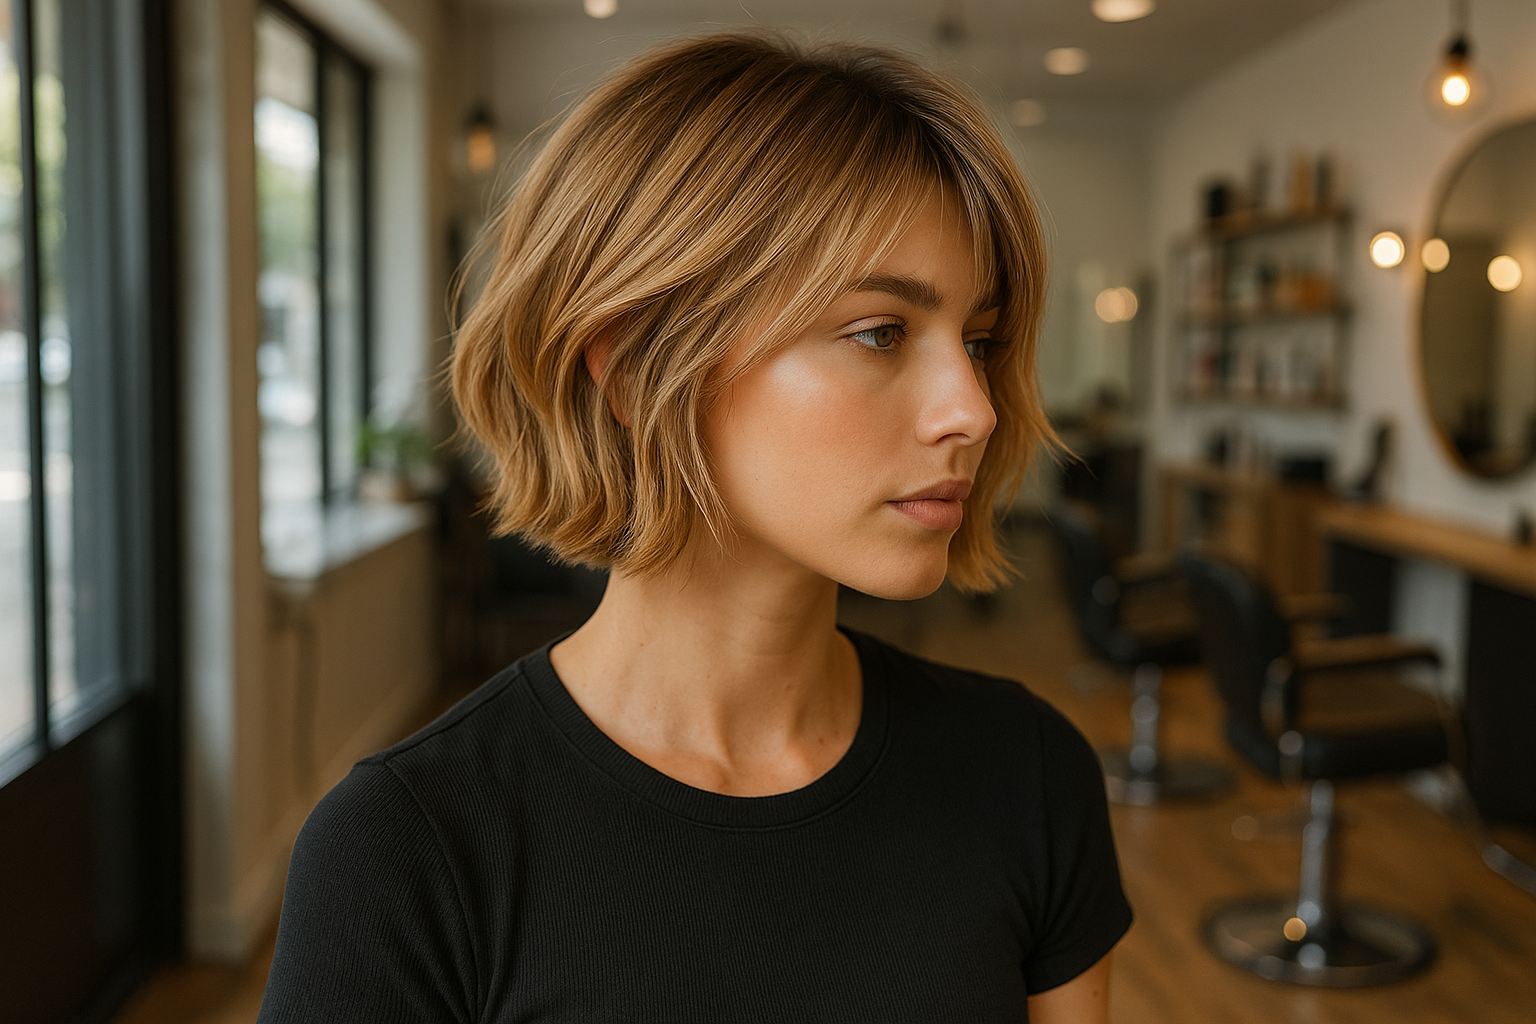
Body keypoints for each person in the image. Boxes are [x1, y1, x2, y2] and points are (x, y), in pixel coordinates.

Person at [258, 31, 1131, 1023]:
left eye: (977, 341)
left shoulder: (1026, 774)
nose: (971, 408)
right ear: (633, 366)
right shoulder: (405, 850)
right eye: (880, 332)